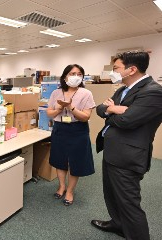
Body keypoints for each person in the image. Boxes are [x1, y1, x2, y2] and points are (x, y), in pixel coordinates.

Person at [92, 51, 162, 240]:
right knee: (112, 195)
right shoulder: (124, 88)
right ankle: (118, 224)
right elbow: (100, 109)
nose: (112, 72)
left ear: (132, 69)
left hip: (128, 156)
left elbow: (127, 121)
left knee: (129, 203)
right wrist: (114, 109)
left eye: (116, 68)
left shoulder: (154, 91)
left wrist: (112, 110)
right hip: (113, 151)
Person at [46, 64, 95, 206]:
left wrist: (71, 107)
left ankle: (70, 191)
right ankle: (61, 186)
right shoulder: (56, 93)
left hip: (78, 129)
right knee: (59, 159)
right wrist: (59, 109)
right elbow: (49, 113)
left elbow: (85, 117)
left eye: (79, 74)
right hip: (60, 129)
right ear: (65, 76)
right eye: (72, 73)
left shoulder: (86, 93)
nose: (76, 77)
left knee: (75, 161)